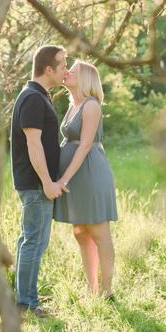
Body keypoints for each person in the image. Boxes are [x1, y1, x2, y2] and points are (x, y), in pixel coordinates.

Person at [10, 45, 68, 318]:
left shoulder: (37, 95)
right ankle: (28, 305)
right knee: (34, 242)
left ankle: (24, 299)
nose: (66, 70)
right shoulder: (33, 97)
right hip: (35, 183)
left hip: (34, 182)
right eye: (63, 65)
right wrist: (46, 180)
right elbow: (33, 142)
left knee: (28, 241)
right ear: (49, 69)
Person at [53, 61, 118, 299]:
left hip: (89, 173)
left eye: (73, 71)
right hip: (75, 175)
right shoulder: (73, 105)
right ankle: (92, 288)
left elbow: (85, 145)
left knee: (99, 231)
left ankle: (107, 290)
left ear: (85, 79)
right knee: (81, 233)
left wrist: (65, 178)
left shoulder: (91, 105)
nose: (66, 72)